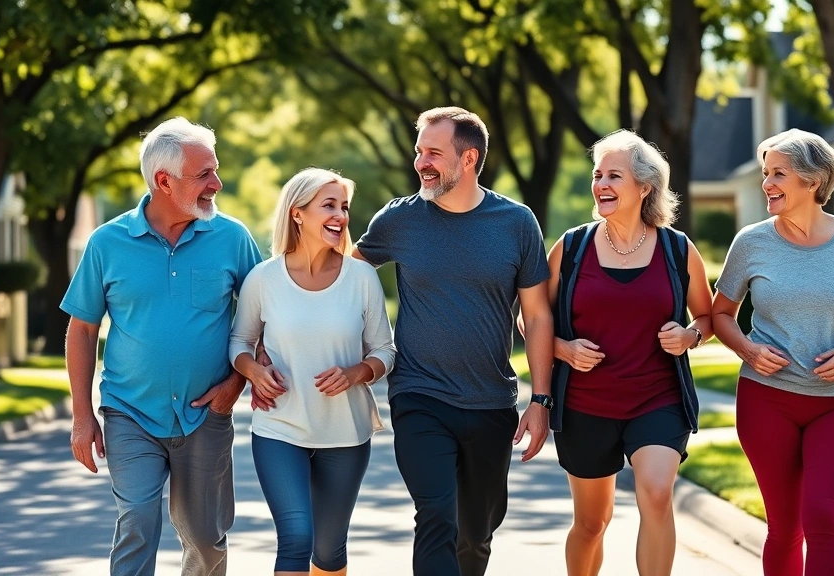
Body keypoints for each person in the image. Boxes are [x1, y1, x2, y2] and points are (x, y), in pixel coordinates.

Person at [356, 107, 555, 576]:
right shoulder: (398, 221)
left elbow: (538, 314)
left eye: (433, 153)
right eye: (419, 151)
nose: (421, 162)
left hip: (490, 401)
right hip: (419, 395)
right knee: (436, 515)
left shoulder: (516, 223)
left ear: (469, 159)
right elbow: (341, 278)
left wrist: (541, 399)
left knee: (476, 532)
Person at [61, 117, 262, 575]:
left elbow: (263, 316)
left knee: (206, 541)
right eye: (204, 174)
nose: (218, 182)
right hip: (129, 411)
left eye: (215, 170)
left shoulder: (232, 237)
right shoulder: (107, 243)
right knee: (137, 522)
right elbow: (83, 330)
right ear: (164, 181)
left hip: (206, 414)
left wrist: (235, 385)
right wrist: (81, 416)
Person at [711, 129, 834, 576]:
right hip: (766, 400)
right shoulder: (752, 242)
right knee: (785, 526)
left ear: (813, 182)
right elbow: (720, 315)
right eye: (765, 173)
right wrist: (749, 351)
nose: (767, 184)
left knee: (821, 518)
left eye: (779, 174)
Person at [533, 129, 713, 576]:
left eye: (614, 175)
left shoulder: (676, 249)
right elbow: (532, 318)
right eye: (597, 175)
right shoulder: (571, 249)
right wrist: (562, 348)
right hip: (585, 404)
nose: (601, 185)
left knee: (655, 493)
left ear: (645, 187)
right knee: (592, 523)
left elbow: (708, 319)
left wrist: (689, 336)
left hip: (658, 398)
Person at [230, 168, 396, 576]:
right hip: (279, 429)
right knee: (295, 538)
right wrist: (253, 370)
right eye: (329, 205)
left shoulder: (361, 278)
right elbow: (239, 342)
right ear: (298, 214)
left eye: (344, 207)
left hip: (345, 433)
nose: (340, 215)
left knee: (328, 548)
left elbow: (385, 351)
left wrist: (357, 373)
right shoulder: (263, 279)